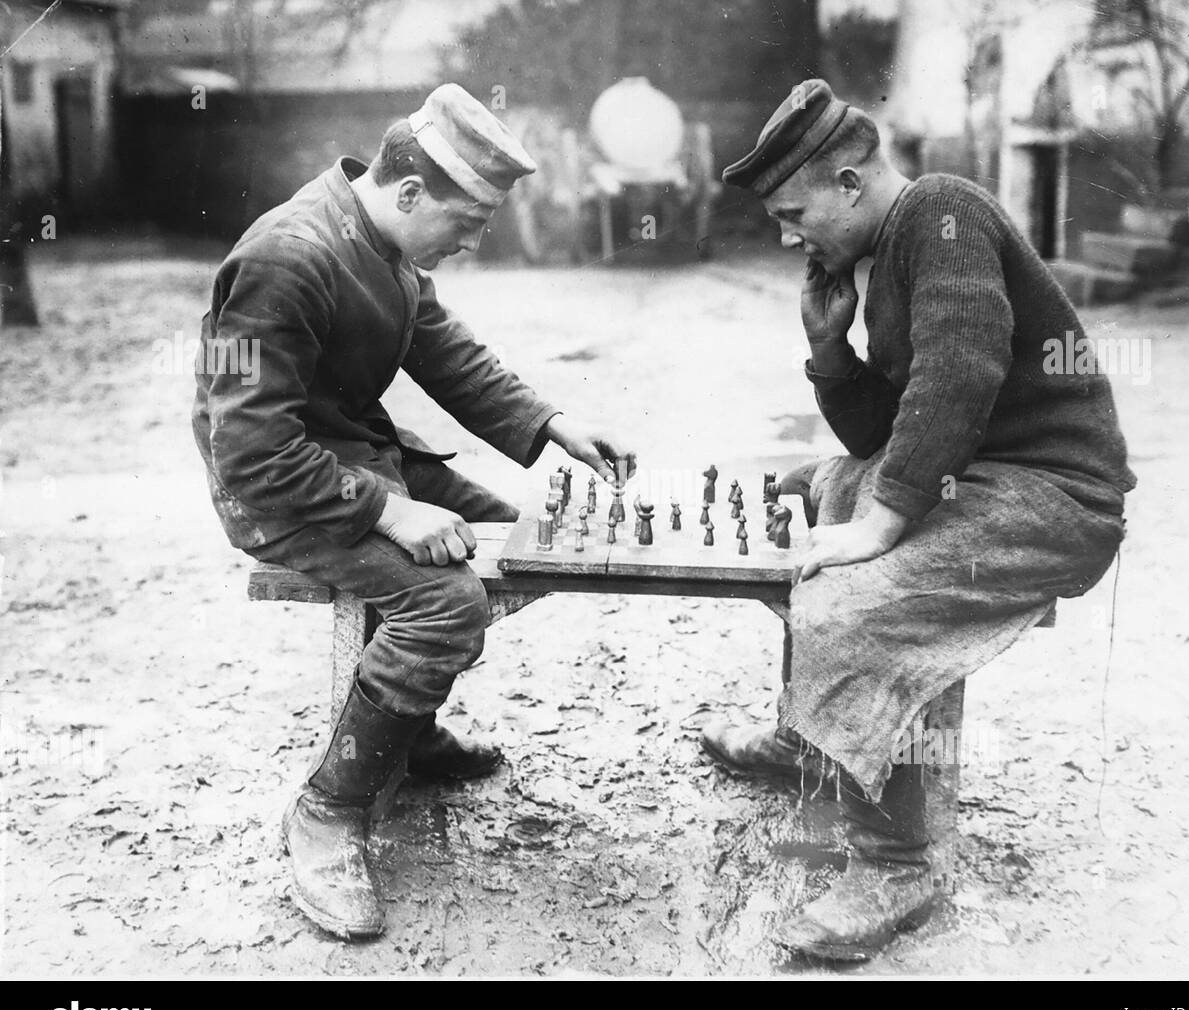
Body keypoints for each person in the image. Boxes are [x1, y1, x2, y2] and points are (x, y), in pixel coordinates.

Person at [703, 80, 1135, 961]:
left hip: (1054, 494)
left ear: (851, 184)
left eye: (794, 212)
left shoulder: (943, 210)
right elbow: (882, 436)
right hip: (984, 475)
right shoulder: (891, 249)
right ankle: (813, 738)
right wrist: (831, 349)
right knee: (819, 488)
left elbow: (963, 372)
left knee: (855, 596)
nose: (789, 236)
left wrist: (886, 519)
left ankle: (899, 863)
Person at [192, 85, 635, 939]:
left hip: (348, 456)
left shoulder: (386, 243)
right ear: (408, 193)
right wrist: (390, 513)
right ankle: (329, 808)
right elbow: (248, 449)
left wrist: (553, 423)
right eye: (467, 222)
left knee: (515, 534)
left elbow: (446, 352)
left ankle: (403, 724)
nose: (472, 241)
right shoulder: (288, 256)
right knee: (447, 600)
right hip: (279, 492)